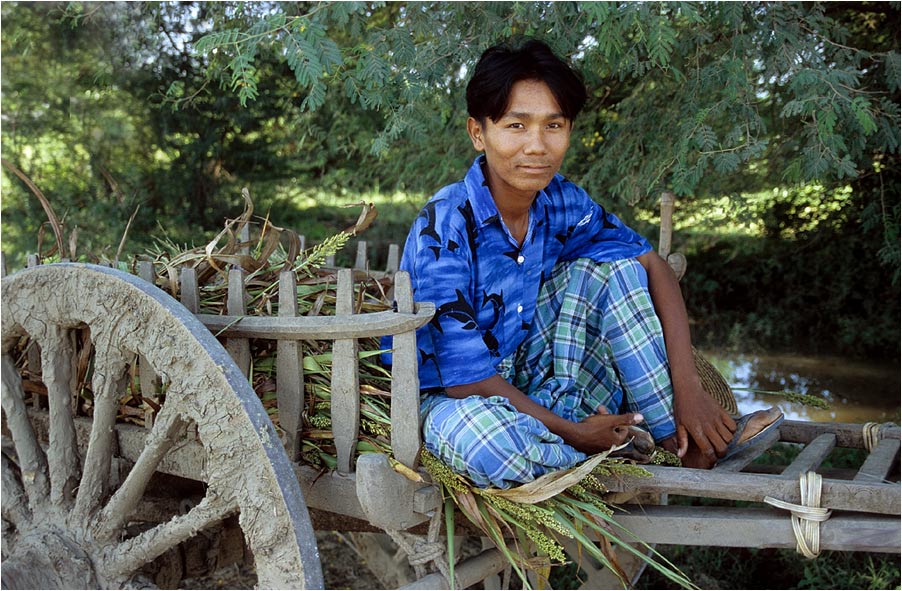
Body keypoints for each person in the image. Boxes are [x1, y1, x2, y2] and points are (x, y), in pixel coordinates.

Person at [396, 39, 782, 489]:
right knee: (490, 445)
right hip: (454, 399)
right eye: (516, 126)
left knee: (618, 269)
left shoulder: (561, 201)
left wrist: (690, 389)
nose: (537, 146)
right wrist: (575, 431)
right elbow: (464, 380)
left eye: (553, 125)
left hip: (537, 377)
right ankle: (594, 451)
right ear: (479, 133)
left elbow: (652, 264)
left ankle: (675, 432)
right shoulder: (445, 222)